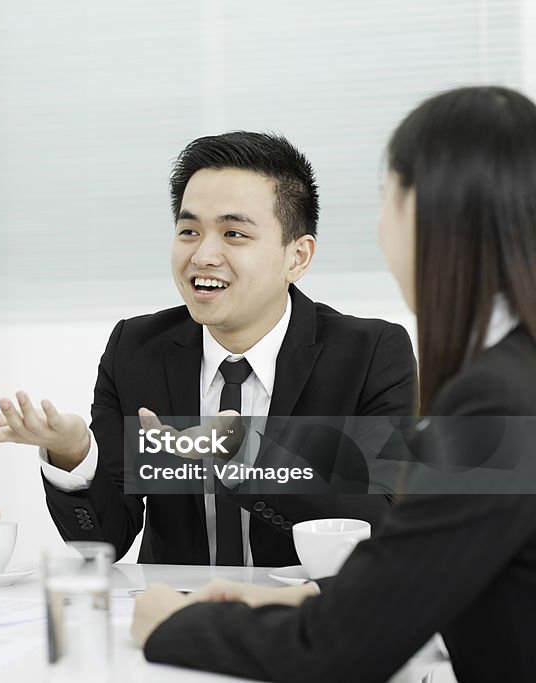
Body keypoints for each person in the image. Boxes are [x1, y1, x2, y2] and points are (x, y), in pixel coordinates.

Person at [130, 85, 536, 682]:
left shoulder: (491, 398)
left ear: (435, 214)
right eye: (189, 230)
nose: (380, 229)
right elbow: (432, 572)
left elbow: (342, 648)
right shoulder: (516, 374)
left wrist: (172, 625)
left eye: (387, 200)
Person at [0, 132, 416, 567]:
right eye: (189, 230)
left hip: (305, 615)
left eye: (234, 233)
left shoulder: (371, 353)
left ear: (296, 257)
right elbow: (106, 538)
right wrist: (73, 453)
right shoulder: (135, 349)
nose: (204, 255)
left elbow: (387, 522)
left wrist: (248, 455)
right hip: (174, 614)